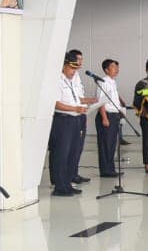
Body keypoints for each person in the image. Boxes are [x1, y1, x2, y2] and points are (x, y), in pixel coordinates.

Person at [50, 49, 93, 194]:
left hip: (75, 119)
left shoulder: (71, 81)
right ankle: (60, 186)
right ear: (64, 65)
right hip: (63, 120)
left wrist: (80, 108)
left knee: (72, 153)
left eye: (76, 68)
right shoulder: (57, 79)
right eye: (71, 67)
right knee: (61, 154)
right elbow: (55, 103)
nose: (74, 71)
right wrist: (75, 108)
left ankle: (67, 183)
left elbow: (76, 98)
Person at [93, 58, 125, 178]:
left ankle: (111, 169)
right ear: (106, 69)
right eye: (113, 67)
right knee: (105, 144)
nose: (116, 69)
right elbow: (101, 101)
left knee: (112, 144)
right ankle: (106, 171)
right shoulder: (103, 81)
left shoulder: (112, 81)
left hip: (114, 115)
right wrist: (104, 118)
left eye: (117, 67)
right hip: (106, 116)